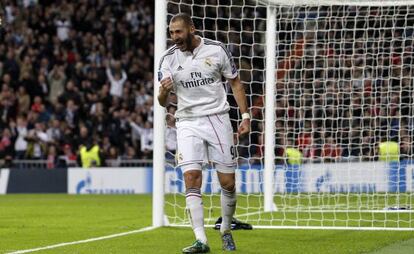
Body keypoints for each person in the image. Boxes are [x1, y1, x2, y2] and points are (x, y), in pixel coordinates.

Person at [157, 13, 250, 253]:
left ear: (191, 28)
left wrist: (245, 116)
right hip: (187, 121)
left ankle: (226, 229)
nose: (174, 37)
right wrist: (164, 93)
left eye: (178, 31)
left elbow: (235, 83)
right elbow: (161, 101)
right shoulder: (167, 59)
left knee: (227, 183)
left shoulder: (217, 50)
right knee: (191, 178)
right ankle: (201, 241)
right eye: (171, 32)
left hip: (218, 119)